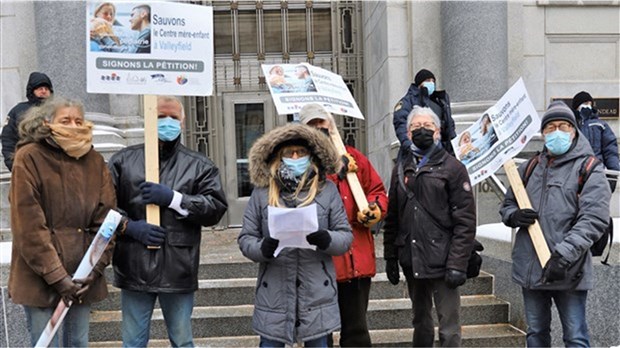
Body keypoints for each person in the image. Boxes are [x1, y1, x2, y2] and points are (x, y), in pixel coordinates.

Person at [108, 96, 228, 347]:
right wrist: (130, 228)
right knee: (133, 341)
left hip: (178, 265)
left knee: (182, 340)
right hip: (135, 265)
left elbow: (215, 208)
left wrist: (175, 199)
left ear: (183, 122)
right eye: (161, 117)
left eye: (173, 117)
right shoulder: (123, 161)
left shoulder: (199, 165)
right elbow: (104, 208)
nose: (168, 122)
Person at [500, 101, 611, 347]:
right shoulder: (528, 168)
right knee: (536, 333)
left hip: (569, 270)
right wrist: (513, 216)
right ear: (543, 133)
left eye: (563, 126)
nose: (556, 131)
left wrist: (563, 255)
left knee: (575, 337)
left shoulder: (590, 168)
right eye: (550, 127)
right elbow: (507, 204)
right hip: (531, 269)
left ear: (573, 130)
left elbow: (594, 219)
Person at [8, 97, 116, 347]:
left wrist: (92, 270)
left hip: (81, 275)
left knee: (78, 343)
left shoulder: (94, 161)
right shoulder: (29, 157)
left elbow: (106, 221)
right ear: (47, 122)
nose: (73, 125)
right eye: (65, 120)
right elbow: (29, 227)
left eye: (79, 120)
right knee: (46, 344)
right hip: (38, 275)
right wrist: (58, 277)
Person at [238, 123, 353, 347]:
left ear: (311, 156)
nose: (294, 156)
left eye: (300, 152)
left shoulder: (326, 190)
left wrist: (326, 239)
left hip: (317, 292)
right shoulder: (262, 193)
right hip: (274, 293)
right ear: (277, 157)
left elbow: (345, 236)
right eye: (288, 153)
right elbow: (246, 238)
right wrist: (262, 248)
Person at [383, 106, 476, 347]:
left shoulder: (453, 168)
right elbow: (392, 217)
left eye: (427, 127)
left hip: (444, 260)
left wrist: (457, 264)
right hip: (412, 257)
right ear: (407, 131)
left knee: (449, 327)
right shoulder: (401, 169)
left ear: (438, 131)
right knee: (420, 322)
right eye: (416, 127)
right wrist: (390, 257)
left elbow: (465, 222)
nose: (421, 131)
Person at [298, 103, 388, 347]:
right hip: (318, 263)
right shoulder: (298, 163)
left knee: (357, 331)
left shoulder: (354, 157)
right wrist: (333, 171)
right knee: (319, 334)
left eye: (322, 123)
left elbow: (377, 190)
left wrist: (374, 208)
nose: (319, 128)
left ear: (331, 125)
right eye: (312, 124)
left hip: (355, 259)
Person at [393, 68, 456, 157]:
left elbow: (449, 126)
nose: (431, 83)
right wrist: (411, 147)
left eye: (433, 81)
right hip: (417, 151)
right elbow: (401, 125)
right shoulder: (407, 102)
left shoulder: (440, 101)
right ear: (419, 83)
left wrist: (454, 145)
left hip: (441, 150)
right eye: (427, 80)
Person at [1, 71, 53, 171]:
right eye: (40, 88)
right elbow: (8, 139)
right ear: (32, 91)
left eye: (46, 89)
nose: (43, 91)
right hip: (27, 165)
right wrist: (13, 165)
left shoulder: (58, 110)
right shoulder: (18, 111)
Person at [571, 91, 619, 192]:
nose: (588, 106)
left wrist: (613, 174)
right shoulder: (570, 126)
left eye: (590, 104)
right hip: (574, 174)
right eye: (584, 103)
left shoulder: (600, 125)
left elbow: (610, 150)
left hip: (596, 172)